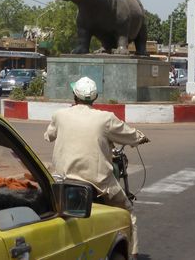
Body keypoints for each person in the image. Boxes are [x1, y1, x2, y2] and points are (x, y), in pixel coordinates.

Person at [44, 76, 149, 260]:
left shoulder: (60, 114)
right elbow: (129, 134)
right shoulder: (105, 118)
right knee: (128, 213)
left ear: (74, 96)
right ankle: (132, 254)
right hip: (98, 184)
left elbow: (49, 135)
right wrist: (140, 137)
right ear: (95, 97)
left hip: (62, 181)